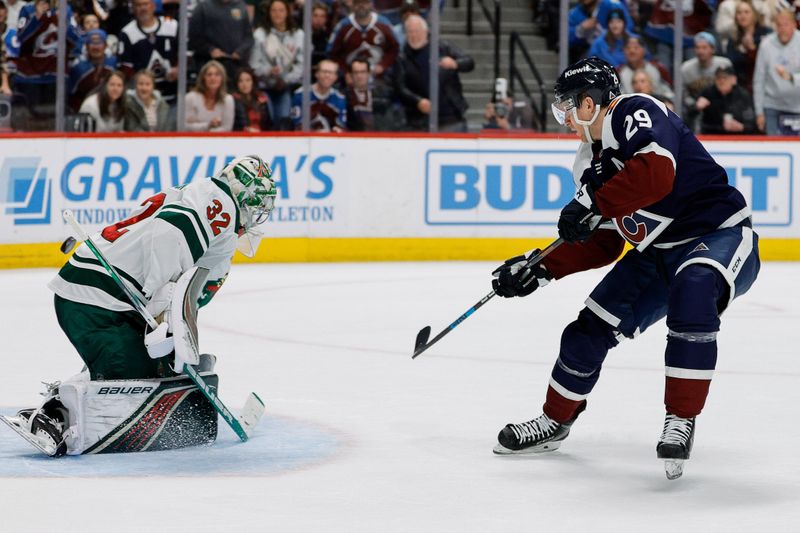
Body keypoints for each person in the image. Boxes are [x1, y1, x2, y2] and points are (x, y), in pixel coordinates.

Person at [491, 57, 760, 481]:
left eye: (567, 105)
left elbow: (657, 175)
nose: (562, 117)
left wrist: (593, 203)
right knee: (587, 329)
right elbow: (604, 242)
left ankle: (681, 418)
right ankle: (555, 420)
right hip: (657, 253)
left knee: (694, 286)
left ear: (591, 101)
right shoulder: (586, 164)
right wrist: (540, 268)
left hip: (718, 233)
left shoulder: (633, 110)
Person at [8, 156, 277, 457]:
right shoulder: (219, 203)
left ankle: (62, 405)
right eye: (258, 203)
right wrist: (159, 300)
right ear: (245, 192)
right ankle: (54, 417)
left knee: (154, 375)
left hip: (110, 297)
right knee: (133, 383)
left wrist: (176, 328)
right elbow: (171, 230)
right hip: (94, 297)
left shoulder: (210, 204)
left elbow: (197, 282)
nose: (258, 213)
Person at [396, 14, 474, 132]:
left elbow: (469, 62)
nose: (413, 35)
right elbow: (400, 87)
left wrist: (456, 64)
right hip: (419, 122)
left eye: (416, 31)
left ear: (426, 31)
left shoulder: (443, 47)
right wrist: (417, 101)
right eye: (410, 32)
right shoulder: (402, 58)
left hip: (451, 117)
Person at [13, 0, 81, 130]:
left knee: (55, 123)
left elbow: (76, 41)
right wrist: (36, 19)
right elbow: (21, 40)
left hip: (56, 76)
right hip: (30, 77)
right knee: (30, 123)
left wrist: (63, 24)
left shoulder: (65, 9)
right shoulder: (27, 10)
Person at [250, 0, 304, 124]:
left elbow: (301, 65)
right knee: (266, 120)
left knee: (283, 121)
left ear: (287, 12)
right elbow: (254, 64)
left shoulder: (298, 35)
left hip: (286, 87)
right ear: (268, 13)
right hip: (263, 86)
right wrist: (268, 71)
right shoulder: (260, 34)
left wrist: (285, 80)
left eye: (281, 10)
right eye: (273, 10)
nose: (277, 14)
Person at [117, 0, 179, 106]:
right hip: (143, 99)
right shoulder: (127, 33)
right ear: (133, 8)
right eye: (138, 5)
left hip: (172, 94)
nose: (142, 8)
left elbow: (184, 53)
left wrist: (178, 68)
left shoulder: (172, 25)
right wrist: (143, 82)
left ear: (153, 6)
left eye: (145, 4)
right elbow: (126, 68)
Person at [753, 9, 800, 135]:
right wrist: (759, 112)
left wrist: (791, 77)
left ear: (794, 24)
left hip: (797, 106)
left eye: (785, 24)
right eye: (779, 25)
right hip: (772, 105)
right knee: (773, 143)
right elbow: (759, 79)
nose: (782, 28)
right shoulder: (766, 44)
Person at [328, 0, 399, 81]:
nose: (361, 6)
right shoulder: (343, 26)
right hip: (350, 78)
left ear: (371, 4)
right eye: (358, 3)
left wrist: (383, 65)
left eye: (365, 3)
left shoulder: (384, 24)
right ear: (353, 5)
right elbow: (332, 54)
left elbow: (395, 49)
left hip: (380, 77)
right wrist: (345, 72)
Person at [189, 0, 254, 87]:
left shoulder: (241, 6)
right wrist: (210, 50)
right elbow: (194, 38)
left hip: (236, 67)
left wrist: (240, 51)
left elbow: (249, 37)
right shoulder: (203, 8)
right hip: (210, 66)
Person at [680, 32, 733, 131]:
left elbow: (732, 88)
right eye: (697, 47)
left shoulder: (724, 64)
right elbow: (683, 94)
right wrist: (694, 105)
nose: (700, 51)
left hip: (720, 107)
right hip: (696, 108)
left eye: (704, 48)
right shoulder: (686, 68)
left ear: (713, 49)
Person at [290, 58, 347, 131]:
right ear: (317, 74)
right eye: (324, 72)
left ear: (335, 77)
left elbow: (341, 127)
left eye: (331, 73)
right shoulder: (301, 94)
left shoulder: (340, 99)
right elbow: (296, 124)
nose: (327, 75)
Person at [68, 28, 117, 112]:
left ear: (105, 45)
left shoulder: (114, 63)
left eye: (99, 43)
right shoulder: (78, 67)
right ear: (86, 46)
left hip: (110, 110)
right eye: (92, 43)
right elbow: (71, 95)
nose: (96, 47)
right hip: (84, 111)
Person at [697, 66, 757, 134]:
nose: (721, 81)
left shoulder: (743, 95)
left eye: (725, 78)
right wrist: (697, 107)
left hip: (738, 137)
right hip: (712, 136)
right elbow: (689, 115)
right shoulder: (707, 93)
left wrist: (742, 127)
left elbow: (751, 123)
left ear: (734, 80)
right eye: (718, 78)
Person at [617, 36, 674, 101]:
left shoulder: (658, 68)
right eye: (628, 48)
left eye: (636, 48)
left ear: (644, 50)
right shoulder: (618, 72)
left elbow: (669, 92)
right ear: (623, 51)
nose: (632, 51)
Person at [184, 60, 235, 132]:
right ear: (203, 78)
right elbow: (185, 127)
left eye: (217, 74)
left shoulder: (228, 100)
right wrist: (208, 125)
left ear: (222, 78)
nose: (213, 78)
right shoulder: (190, 98)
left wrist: (207, 133)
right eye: (209, 74)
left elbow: (227, 128)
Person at [232, 67, 273, 131]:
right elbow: (239, 126)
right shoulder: (234, 100)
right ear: (237, 84)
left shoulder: (261, 99)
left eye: (248, 80)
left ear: (253, 82)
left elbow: (268, 124)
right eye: (240, 81)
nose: (244, 84)